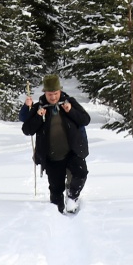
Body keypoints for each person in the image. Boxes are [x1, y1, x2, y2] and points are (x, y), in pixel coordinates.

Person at [20, 74, 90, 214]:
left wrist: (71, 111)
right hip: (52, 157)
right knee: (56, 195)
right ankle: (56, 218)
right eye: (50, 94)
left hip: (73, 152)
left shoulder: (69, 102)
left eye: (56, 93)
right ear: (45, 92)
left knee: (80, 173)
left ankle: (72, 197)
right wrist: (38, 117)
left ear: (60, 91)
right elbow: (27, 130)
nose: (53, 97)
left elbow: (85, 119)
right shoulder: (39, 107)